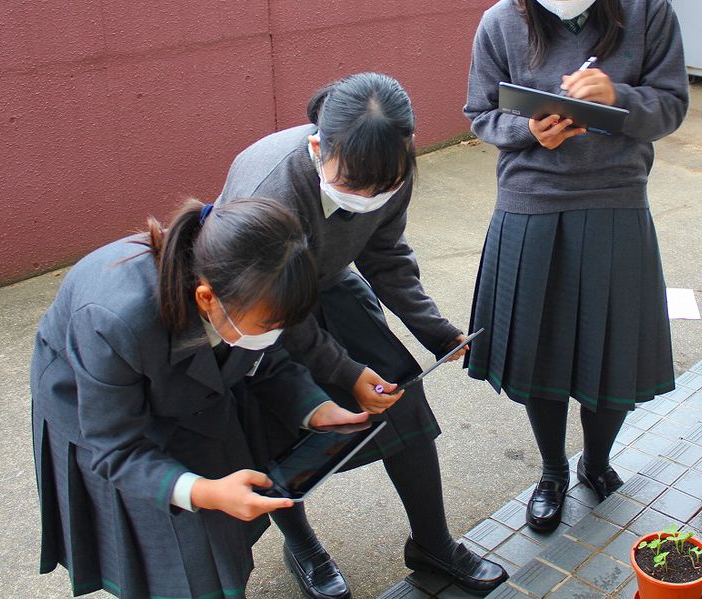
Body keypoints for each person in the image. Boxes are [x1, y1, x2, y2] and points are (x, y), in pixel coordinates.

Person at [217, 72, 507, 598]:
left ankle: (433, 543)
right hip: (260, 303)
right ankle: (301, 544)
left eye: (383, 187)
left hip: (330, 282)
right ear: (316, 148)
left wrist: (438, 334)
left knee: (402, 400)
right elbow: (282, 315)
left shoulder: (389, 168)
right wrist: (345, 373)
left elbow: (386, 256)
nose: (367, 198)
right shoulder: (273, 191)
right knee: (278, 436)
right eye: (353, 186)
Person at [462, 0, 689, 534]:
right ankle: (551, 468)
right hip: (528, 206)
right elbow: (479, 113)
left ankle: (596, 458)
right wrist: (525, 130)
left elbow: (671, 105)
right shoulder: (500, 20)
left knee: (609, 349)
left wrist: (616, 98)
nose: (561, 4)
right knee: (538, 353)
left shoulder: (646, 5)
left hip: (614, 201)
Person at [31, 198, 369, 599]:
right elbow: (116, 447)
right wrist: (204, 491)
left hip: (187, 375)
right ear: (207, 299)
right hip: (96, 407)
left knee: (225, 507)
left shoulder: (245, 288)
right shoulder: (116, 320)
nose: (277, 334)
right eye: (268, 324)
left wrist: (316, 408)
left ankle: (293, 543)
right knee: (181, 552)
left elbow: (266, 355)